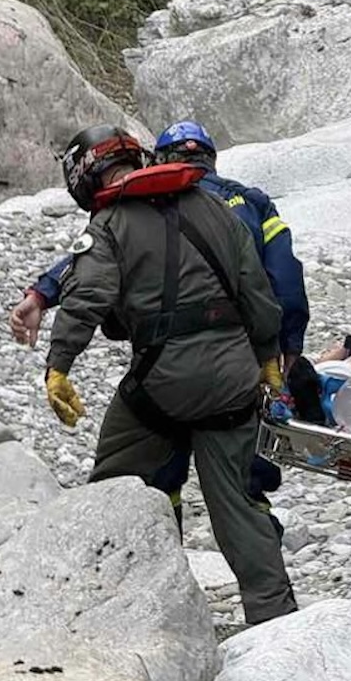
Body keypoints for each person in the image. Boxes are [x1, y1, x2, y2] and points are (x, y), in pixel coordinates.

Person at [43, 124, 297, 624]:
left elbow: (88, 296)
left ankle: (114, 607)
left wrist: (60, 365)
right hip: (234, 379)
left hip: (162, 381)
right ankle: (277, 620)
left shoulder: (111, 222)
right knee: (239, 503)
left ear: (84, 175)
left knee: (115, 483)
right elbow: (258, 292)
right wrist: (268, 357)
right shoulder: (211, 206)